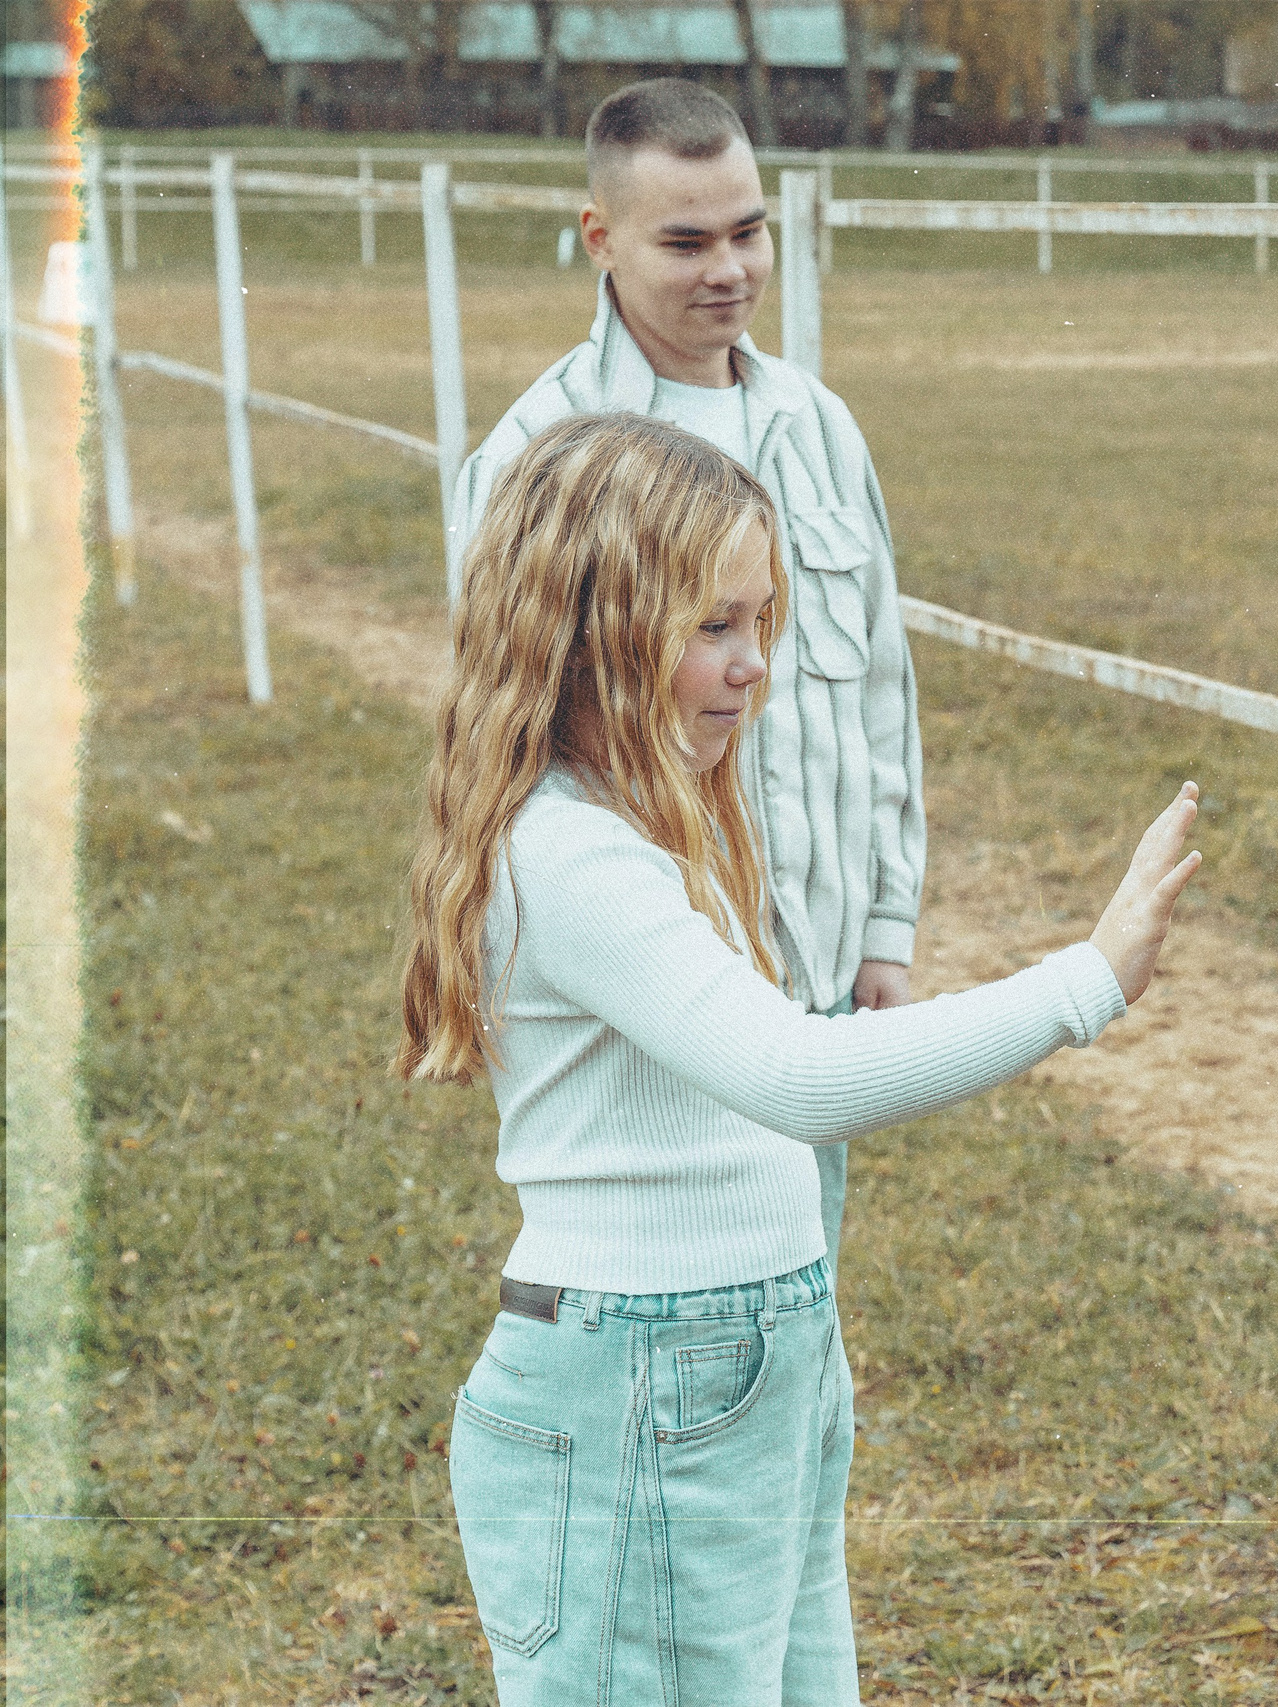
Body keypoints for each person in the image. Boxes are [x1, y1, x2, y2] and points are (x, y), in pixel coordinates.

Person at [400, 412, 1199, 1704]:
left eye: (762, 621)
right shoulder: (572, 855)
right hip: (640, 1385)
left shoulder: (654, 828)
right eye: (712, 626)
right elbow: (795, 1075)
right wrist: (1086, 980)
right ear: (595, 626)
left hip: (749, 1354)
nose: (752, 664)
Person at [451, 77, 907, 1281]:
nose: (729, 269)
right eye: (686, 240)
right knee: (686, 1310)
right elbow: (512, 744)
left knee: (803, 1292)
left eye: (748, 231)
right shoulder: (536, 460)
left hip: (817, 969)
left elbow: (880, 695)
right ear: (600, 238)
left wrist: (887, 919)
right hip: (655, 991)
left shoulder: (819, 426)